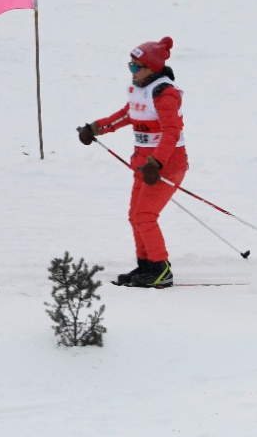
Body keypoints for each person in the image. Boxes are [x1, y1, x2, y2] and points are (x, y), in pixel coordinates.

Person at [78, 36, 186, 289]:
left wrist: (156, 163)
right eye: (130, 66)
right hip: (143, 164)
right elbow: (127, 115)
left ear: (153, 68)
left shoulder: (165, 94)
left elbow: (171, 133)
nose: (132, 72)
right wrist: (95, 128)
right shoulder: (143, 90)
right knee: (135, 216)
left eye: (137, 67)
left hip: (165, 165)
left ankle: (161, 270)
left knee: (145, 215)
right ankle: (146, 266)